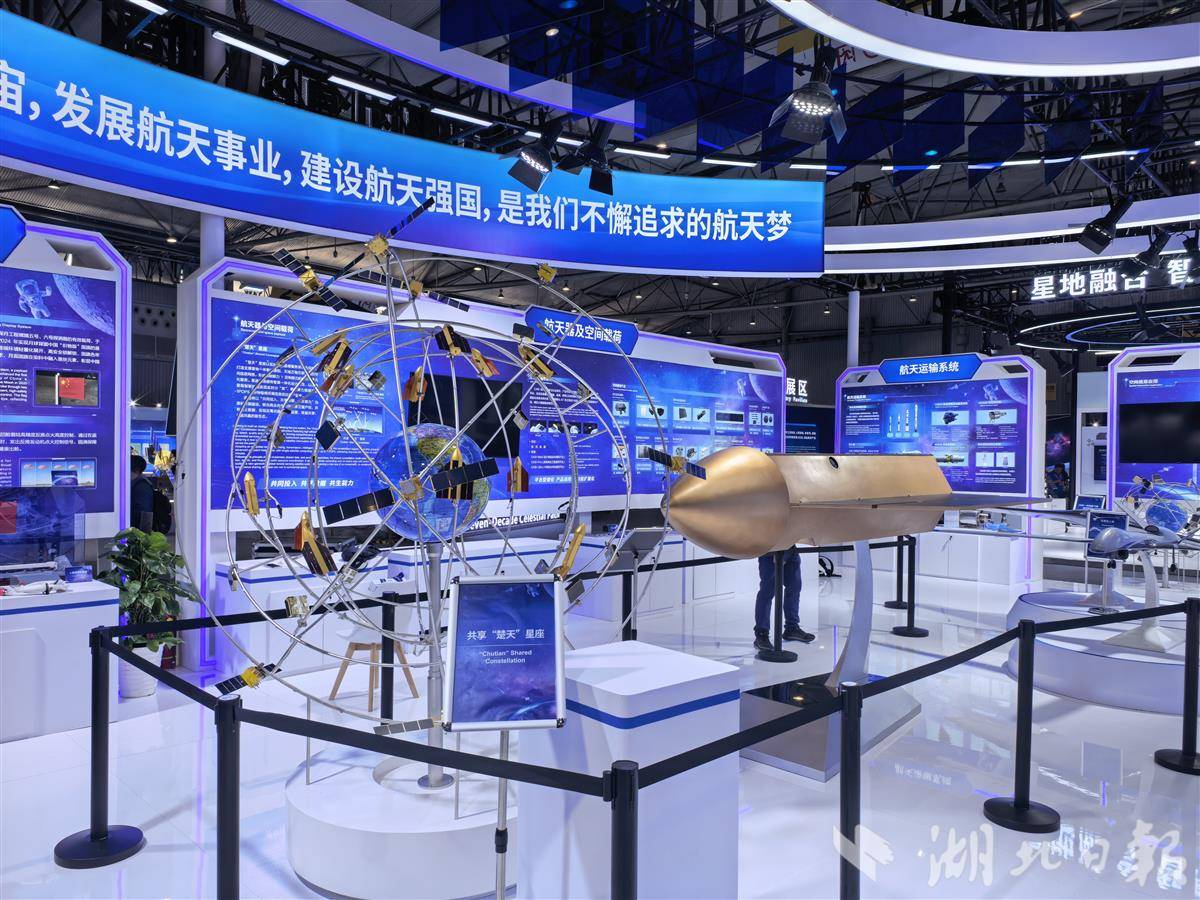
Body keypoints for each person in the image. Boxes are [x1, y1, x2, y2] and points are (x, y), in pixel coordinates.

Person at [754, 547, 814, 650]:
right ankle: (761, 633)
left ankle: (792, 628)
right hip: (770, 549)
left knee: (794, 588)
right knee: (767, 592)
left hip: (790, 549)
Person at [130, 455, 157, 532]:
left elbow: (145, 512)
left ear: (136, 470)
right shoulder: (136, 483)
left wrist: (142, 534)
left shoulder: (142, 486)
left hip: (138, 531)